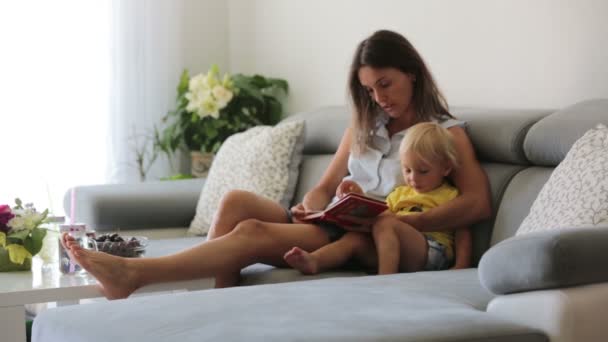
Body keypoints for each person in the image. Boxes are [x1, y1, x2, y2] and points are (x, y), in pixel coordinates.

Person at [62, 29, 491, 300]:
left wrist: (400, 220)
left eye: (386, 84)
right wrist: (314, 203)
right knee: (234, 203)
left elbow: (477, 205)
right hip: (335, 221)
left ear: (412, 73)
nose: (379, 97)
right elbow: (324, 186)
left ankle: (135, 275)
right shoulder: (364, 125)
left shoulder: (443, 132)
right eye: (369, 89)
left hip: (379, 233)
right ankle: (221, 302)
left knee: (251, 232)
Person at [284, 122, 472, 275]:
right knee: (356, 238)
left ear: (446, 168)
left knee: (385, 223)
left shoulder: (450, 195)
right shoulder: (400, 193)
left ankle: (385, 279)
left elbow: (462, 230)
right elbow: (379, 213)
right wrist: (358, 197)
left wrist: (460, 267)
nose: (413, 178)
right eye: (407, 170)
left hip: (431, 252)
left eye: (423, 171)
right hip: (399, 251)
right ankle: (315, 261)